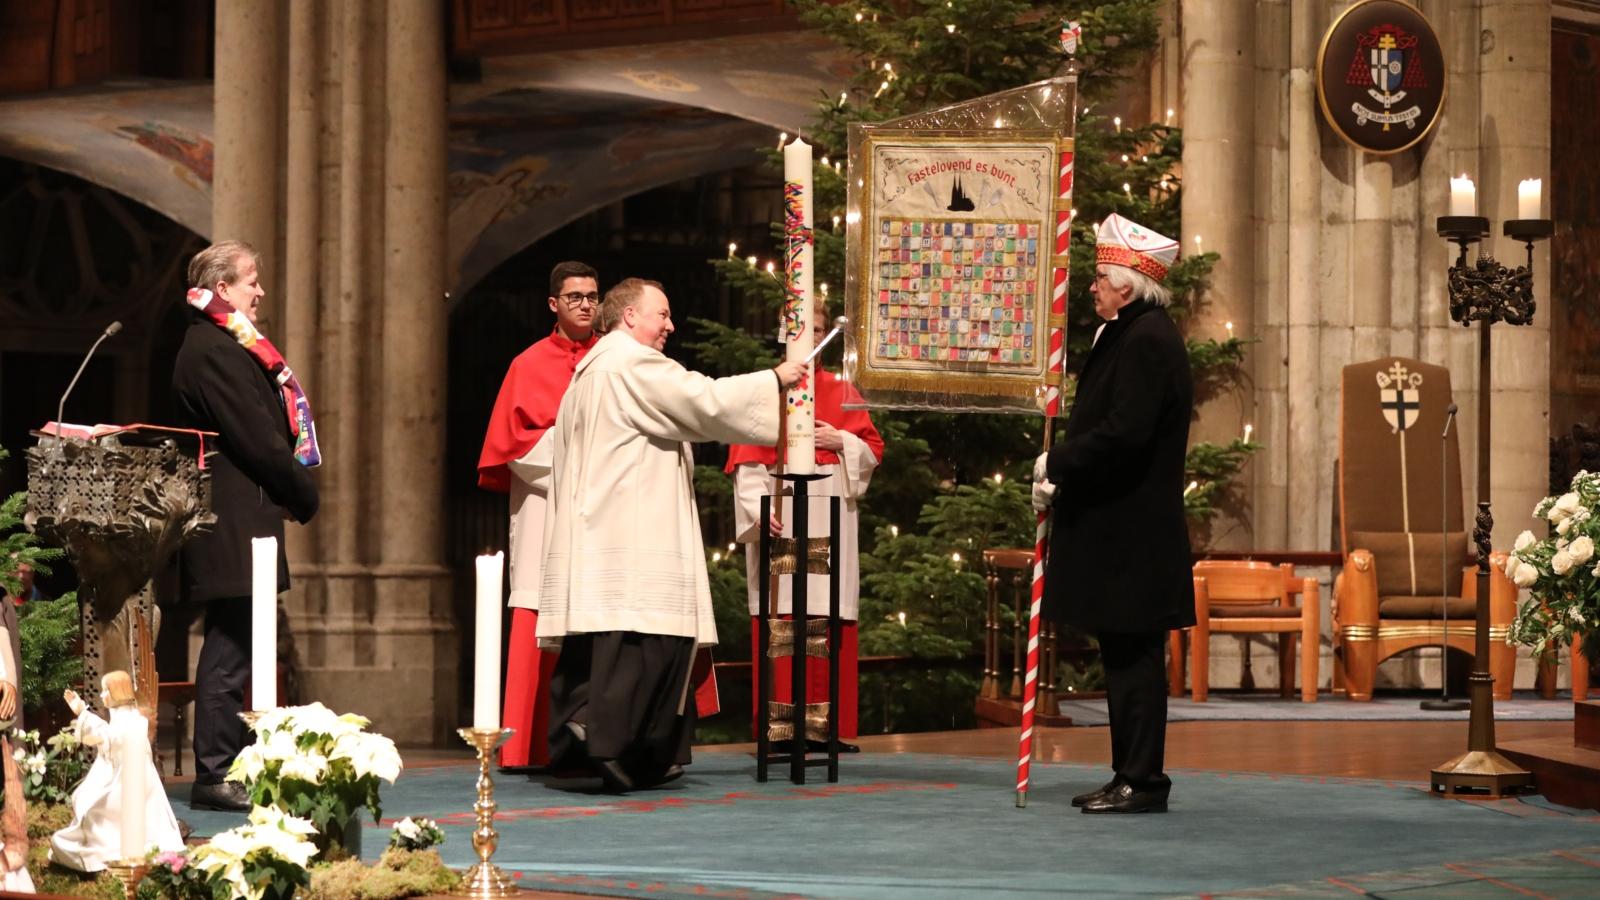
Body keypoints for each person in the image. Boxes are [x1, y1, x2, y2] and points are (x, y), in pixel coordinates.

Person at [533, 278, 804, 792]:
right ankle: (611, 743)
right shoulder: (630, 363)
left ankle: (604, 738)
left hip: (600, 530)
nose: (670, 326)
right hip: (635, 532)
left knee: (606, 645)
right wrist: (773, 379)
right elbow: (702, 400)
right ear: (630, 316)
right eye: (663, 314)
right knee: (646, 641)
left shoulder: (588, 373)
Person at [1034, 213, 1193, 814]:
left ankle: (1144, 780)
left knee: (1135, 660)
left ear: (1127, 285)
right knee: (1123, 658)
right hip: (1118, 530)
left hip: (1134, 533)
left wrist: (1058, 461)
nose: (1092, 287)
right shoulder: (1130, 332)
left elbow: (1125, 434)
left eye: (1101, 277)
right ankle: (1129, 773)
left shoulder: (1148, 339)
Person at [172, 241, 319, 812]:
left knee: (240, 643)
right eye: (251, 280)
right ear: (222, 287)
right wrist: (303, 491)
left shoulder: (223, 343)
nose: (259, 291)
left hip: (241, 513)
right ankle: (214, 773)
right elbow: (256, 437)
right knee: (230, 645)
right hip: (230, 516)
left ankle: (236, 764)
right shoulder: (212, 348)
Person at [727, 306, 883, 750]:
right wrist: (759, 509)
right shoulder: (764, 389)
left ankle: (822, 730)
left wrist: (843, 440)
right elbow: (747, 461)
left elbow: (871, 450)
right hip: (781, 512)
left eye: (816, 329)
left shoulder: (843, 389)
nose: (808, 337)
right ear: (783, 334)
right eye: (799, 330)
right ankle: (780, 729)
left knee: (824, 613)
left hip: (831, 509)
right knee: (784, 615)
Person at [476, 261, 602, 771]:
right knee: (536, 604)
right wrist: (583, 454)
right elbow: (517, 447)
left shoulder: (613, 360)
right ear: (553, 304)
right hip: (545, 507)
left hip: (600, 508)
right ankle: (527, 745)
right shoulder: (527, 365)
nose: (586, 305)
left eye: (593, 296)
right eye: (574, 297)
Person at [50, 672, 184, 872]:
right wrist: (82, 712)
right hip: (121, 780)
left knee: (92, 809)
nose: (102, 695)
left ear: (117, 692)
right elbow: (106, 735)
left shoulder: (133, 720)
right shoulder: (125, 716)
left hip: (128, 788)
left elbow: (107, 738)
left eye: (106, 690)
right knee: (83, 798)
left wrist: (83, 713)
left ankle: (101, 854)